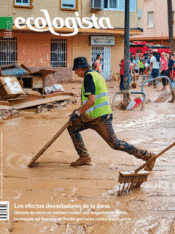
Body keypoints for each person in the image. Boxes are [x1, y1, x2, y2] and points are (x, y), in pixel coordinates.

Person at [68, 56, 156, 170]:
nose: (75, 73)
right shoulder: (96, 75)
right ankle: (84, 156)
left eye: (76, 70)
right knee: (72, 127)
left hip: (100, 118)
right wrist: (78, 112)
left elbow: (92, 100)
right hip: (90, 117)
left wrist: (78, 112)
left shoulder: (88, 78)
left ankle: (148, 156)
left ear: (80, 69)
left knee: (115, 144)